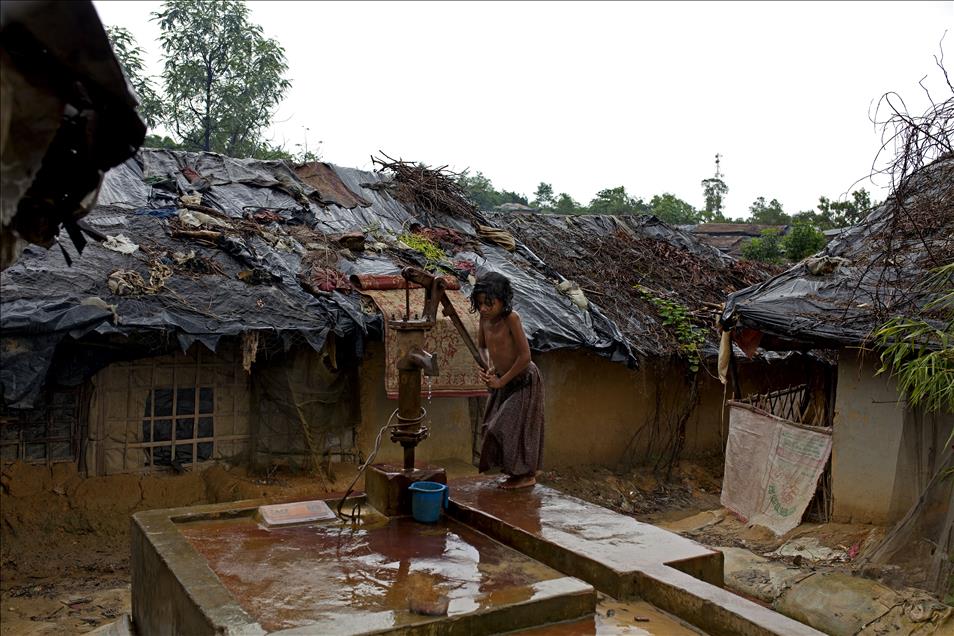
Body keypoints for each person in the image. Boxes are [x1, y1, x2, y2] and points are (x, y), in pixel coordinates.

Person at [470, 272, 545, 489]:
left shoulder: (512, 318)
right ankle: (514, 473)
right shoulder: (484, 319)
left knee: (503, 426)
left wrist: (501, 382)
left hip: (523, 380)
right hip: (502, 380)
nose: (483, 308)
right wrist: (487, 368)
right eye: (480, 303)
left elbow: (525, 356)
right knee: (490, 427)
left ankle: (527, 475)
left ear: (502, 301)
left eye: (489, 304)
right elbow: (483, 347)